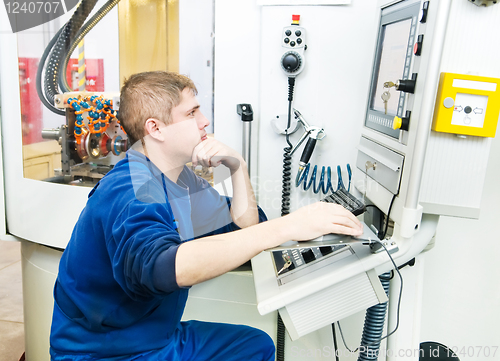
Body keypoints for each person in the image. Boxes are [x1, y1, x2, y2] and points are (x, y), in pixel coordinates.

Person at [49, 71, 363, 360]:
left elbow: (243, 226)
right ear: (155, 128)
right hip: (106, 352)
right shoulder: (130, 189)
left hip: (154, 336)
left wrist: (237, 165)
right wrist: (290, 225)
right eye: (191, 113)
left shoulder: (179, 179)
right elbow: (162, 268)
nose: (205, 121)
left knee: (255, 347)